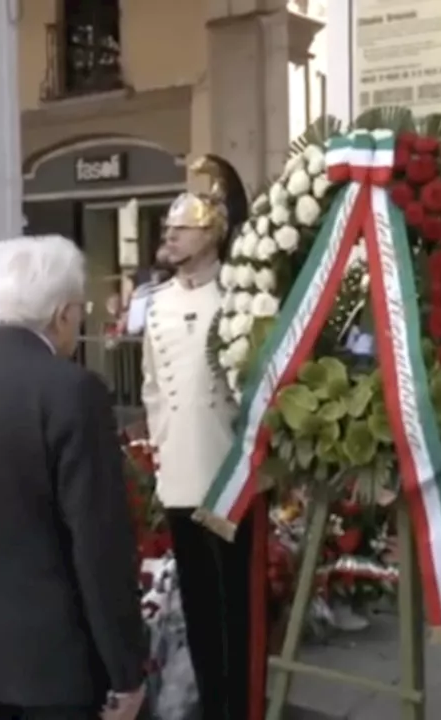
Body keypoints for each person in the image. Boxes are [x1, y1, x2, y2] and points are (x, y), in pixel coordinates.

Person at [0, 235, 148, 720]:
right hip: (57, 664)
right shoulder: (73, 389)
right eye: (81, 310)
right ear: (62, 314)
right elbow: (98, 542)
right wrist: (126, 669)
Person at [141, 154, 267, 720]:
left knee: (234, 603)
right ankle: (210, 703)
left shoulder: (239, 296)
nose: (170, 233)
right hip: (179, 475)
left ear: (212, 233)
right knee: (196, 601)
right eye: (169, 227)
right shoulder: (157, 303)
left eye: (183, 226)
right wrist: (161, 443)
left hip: (227, 471)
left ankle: (239, 705)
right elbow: (150, 387)